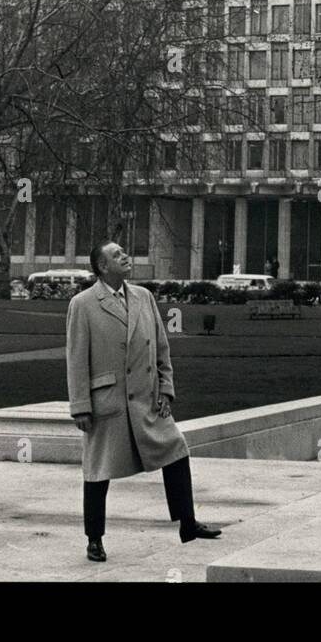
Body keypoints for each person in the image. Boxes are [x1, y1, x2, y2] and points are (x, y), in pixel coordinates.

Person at [66, 240, 222, 561]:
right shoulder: (83, 304)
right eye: (116, 256)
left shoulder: (144, 297)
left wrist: (166, 389)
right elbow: (76, 358)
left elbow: (161, 348)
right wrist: (80, 405)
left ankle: (188, 524)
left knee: (176, 449)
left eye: (124, 253)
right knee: (97, 471)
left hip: (148, 398)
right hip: (107, 401)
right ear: (102, 267)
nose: (125, 257)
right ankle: (94, 539)